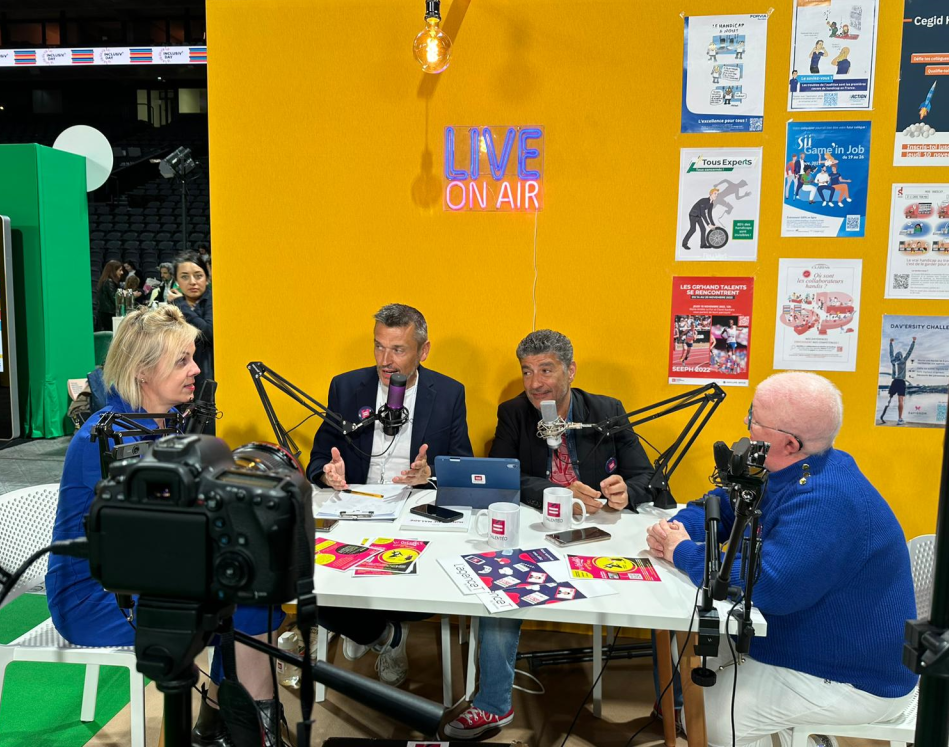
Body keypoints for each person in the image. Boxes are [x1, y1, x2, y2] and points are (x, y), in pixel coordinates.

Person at [46, 305, 288, 747]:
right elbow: (147, 543)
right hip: (95, 595)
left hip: (151, 578)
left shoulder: (169, 422)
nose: (196, 369)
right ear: (142, 371)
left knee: (256, 592)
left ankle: (220, 726)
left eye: (194, 357)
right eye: (182, 361)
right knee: (252, 604)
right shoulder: (103, 439)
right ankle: (246, 731)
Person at [647, 372, 917, 747]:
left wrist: (683, 553)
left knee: (716, 718)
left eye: (755, 419)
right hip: (813, 635)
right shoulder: (796, 469)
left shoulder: (826, 499)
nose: (746, 424)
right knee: (698, 654)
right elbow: (724, 506)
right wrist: (676, 529)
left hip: (857, 675)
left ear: (789, 443)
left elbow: (771, 585)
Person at [445, 329, 653, 739]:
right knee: (498, 585)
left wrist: (625, 491)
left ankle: (675, 705)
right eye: (526, 371)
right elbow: (503, 477)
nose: (535, 382)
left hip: (602, 533)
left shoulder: (606, 411)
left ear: (570, 370)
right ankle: (493, 705)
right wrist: (557, 492)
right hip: (537, 528)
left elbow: (647, 475)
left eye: (546, 369)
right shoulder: (514, 413)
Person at [306, 303, 473, 686]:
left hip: (414, 507)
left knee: (417, 577)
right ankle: (380, 635)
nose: (386, 360)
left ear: (423, 351)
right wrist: (327, 473)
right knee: (306, 578)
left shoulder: (448, 393)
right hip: (354, 505)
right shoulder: (346, 387)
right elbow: (319, 455)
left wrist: (431, 474)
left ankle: (369, 628)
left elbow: (461, 462)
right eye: (379, 347)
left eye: (398, 350)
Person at [169, 252, 213, 418]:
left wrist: (180, 304)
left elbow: (207, 332)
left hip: (207, 379)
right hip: (178, 381)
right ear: (177, 281)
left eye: (198, 275)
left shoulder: (215, 301)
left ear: (207, 278)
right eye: (185, 277)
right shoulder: (171, 308)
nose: (193, 282)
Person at [879, 337, 916, 425]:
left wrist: (891, 343)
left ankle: (882, 415)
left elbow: (890, 352)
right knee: (900, 400)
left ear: (896, 356)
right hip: (901, 382)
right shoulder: (903, 361)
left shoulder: (892, 360)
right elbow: (909, 352)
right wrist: (913, 342)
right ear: (901, 356)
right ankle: (899, 419)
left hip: (894, 382)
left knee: (890, 398)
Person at [95, 260, 125, 332]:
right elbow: (115, 299)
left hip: (106, 314)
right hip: (108, 315)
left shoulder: (107, 281)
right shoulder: (109, 282)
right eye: (120, 270)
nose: (122, 272)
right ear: (113, 271)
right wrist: (125, 295)